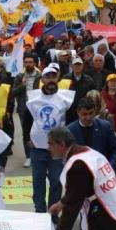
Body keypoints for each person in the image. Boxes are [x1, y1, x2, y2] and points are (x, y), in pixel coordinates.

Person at [66, 98, 116, 230]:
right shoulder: (70, 131)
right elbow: (68, 157)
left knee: (111, 218)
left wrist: (109, 168)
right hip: (83, 184)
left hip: (106, 181)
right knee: (85, 217)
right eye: (84, 114)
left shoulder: (105, 127)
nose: (88, 117)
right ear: (78, 112)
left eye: (91, 113)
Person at [26, 65, 74, 216]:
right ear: (42, 80)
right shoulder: (33, 98)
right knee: (38, 181)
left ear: (57, 78)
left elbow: (71, 121)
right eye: (47, 77)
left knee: (56, 181)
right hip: (37, 147)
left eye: (53, 76)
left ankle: (53, 212)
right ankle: (40, 211)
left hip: (58, 150)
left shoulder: (65, 98)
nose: (51, 80)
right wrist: (27, 139)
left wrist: (68, 145)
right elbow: (26, 120)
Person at [12, 53, 41, 167]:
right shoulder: (19, 76)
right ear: (23, 63)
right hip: (24, 109)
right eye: (26, 62)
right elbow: (13, 92)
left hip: (36, 108)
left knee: (37, 132)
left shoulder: (40, 76)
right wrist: (22, 85)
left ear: (34, 63)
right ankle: (28, 157)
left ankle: (37, 155)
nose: (28, 64)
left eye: (30, 62)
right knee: (26, 133)